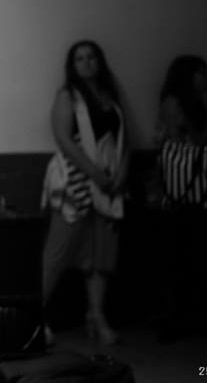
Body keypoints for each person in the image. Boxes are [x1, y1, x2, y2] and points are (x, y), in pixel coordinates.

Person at [40, 39, 128, 347]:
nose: (87, 62)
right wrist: (94, 173)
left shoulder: (110, 97)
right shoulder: (68, 96)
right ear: (72, 65)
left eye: (91, 57)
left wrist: (120, 174)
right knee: (58, 253)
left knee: (100, 256)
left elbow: (123, 139)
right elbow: (64, 139)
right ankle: (36, 318)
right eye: (79, 58)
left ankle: (96, 316)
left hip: (109, 184)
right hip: (76, 181)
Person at [153, 54, 207, 341]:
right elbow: (194, 140)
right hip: (188, 193)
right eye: (202, 73)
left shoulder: (182, 103)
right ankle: (179, 319)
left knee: (187, 256)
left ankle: (181, 319)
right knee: (184, 256)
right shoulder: (178, 103)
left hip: (184, 191)